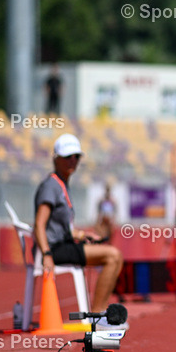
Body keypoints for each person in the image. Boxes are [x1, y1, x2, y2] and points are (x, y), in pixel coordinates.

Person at [33, 134, 123, 327]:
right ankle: (99, 316)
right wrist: (46, 254)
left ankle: (101, 313)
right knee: (113, 256)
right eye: (68, 157)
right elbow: (39, 224)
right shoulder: (51, 186)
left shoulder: (62, 184)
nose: (73, 161)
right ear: (56, 158)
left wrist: (83, 235)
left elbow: (62, 228)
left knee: (115, 256)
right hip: (55, 249)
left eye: (76, 157)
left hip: (61, 244)